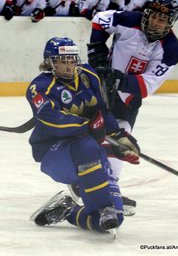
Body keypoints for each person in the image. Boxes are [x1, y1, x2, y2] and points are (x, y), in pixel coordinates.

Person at [26, 37, 140, 233]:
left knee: (110, 222)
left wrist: (118, 136)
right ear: (49, 62)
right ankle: (103, 205)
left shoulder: (88, 75)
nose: (69, 66)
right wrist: (90, 126)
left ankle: (68, 210)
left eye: (72, 60)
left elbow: (102, 110)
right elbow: (55, 122)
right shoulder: (40, 87)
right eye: (62, 61)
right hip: (53, 152)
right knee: (87, 147)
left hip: (88, 151)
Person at [87, 0, 178, 184]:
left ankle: (110, 186)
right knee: (88, 135)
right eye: (154, 16)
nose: (155, 22)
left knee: (120, 142)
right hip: (100, 87)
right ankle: (83, 178)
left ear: (170, 23)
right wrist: (97, 52)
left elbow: (148, 85)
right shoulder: (130, 20)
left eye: (162, 20)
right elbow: (100, 19)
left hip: (127, 100)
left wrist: (119, 80)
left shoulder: (171, 48)